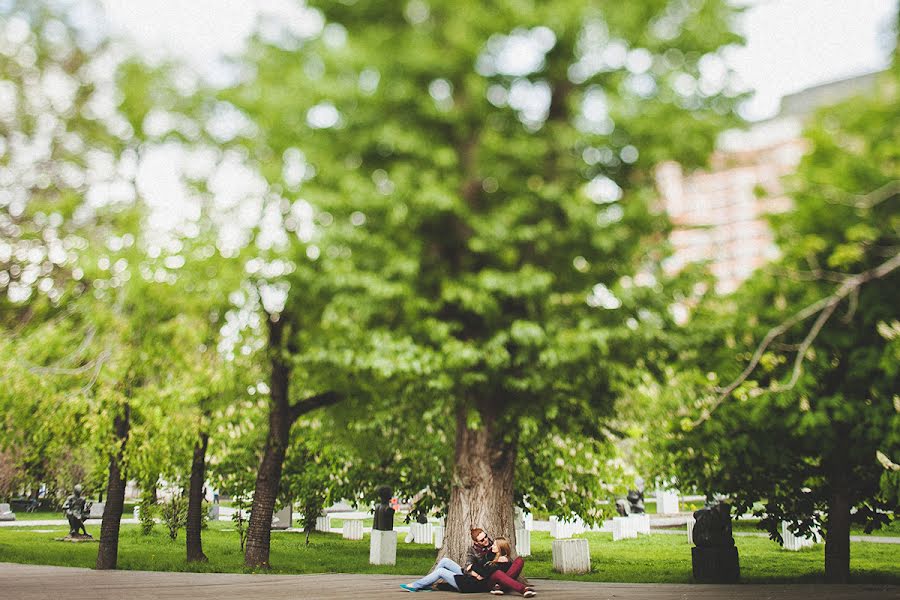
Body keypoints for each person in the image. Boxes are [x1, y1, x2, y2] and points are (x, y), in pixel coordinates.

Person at [401, 536, 536, 597]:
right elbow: (480, 565)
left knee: (441, 571)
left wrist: (473, 570)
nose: (491, 545)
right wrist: (473, 569)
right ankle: (426, 584)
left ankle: (416, 585)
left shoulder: (500, 563)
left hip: (468, 584)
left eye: (494, 544)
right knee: (445, 561)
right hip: (471, 576)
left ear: (500, 548)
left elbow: (482, 572)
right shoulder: (492, 556)